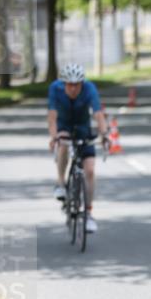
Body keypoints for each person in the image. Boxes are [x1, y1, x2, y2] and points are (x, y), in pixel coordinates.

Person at [47, 63, 108, 233]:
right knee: (64, 145)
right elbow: (52, 117)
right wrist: (53, 136)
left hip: (83, 128)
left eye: (77, 84)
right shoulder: (55, 89)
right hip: (64, 126)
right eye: (70, 84)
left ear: (82, 83)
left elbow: (98, 113)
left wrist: (104, 134)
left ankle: (88, 213)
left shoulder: (89, 89)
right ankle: (60, 182)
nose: (73, 88)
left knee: (89, 171)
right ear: (64, 83)